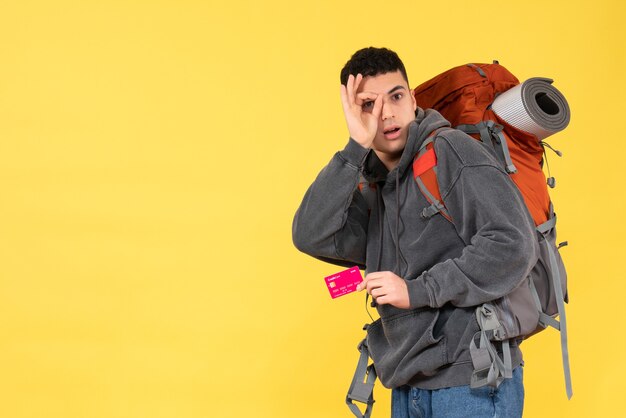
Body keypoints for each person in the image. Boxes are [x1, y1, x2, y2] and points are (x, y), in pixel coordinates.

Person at [292, 47, 538, 418]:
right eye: (369, 105)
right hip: (407, 381)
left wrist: (416, 290)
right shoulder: (371, 185)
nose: (387, 113)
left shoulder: (450, 151)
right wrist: (354, 148)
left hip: (470, 377)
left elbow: (513, 244)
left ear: (412, 98)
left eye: (396, 96)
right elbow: (310, 235)